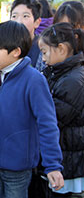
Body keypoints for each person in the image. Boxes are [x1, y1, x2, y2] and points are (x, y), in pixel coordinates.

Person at [0, 20, 64, 198]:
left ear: (16, 52)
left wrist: (53, 165)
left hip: (17, 165)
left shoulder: (34, 80)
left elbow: (47, 124)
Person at [39, 22, 84, 197]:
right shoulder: (59, 71)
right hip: (63, 152)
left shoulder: (73, 80)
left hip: (67, 157)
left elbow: (54, 117)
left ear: (62, 49)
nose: (42, 58)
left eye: (44, 52)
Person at [10, 0, 43, 71]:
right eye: (14, 16)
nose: (19, 21)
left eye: (25, 16)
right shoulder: (4, 46)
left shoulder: (43, 48)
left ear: (37, 22)